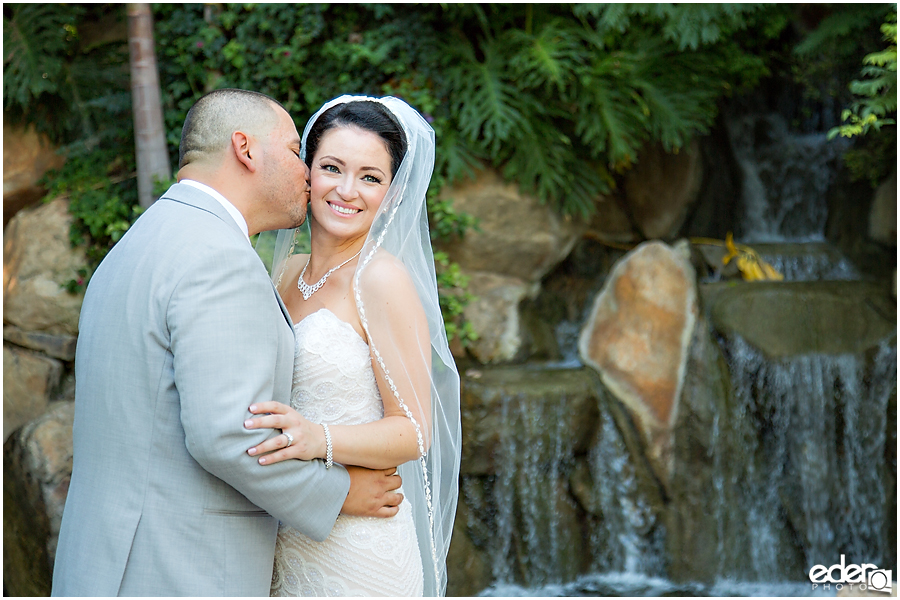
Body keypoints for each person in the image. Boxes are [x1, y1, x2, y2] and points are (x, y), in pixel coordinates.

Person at [51, 89, 404, 597]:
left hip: (105, 561)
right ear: (245, 149)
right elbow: (228, 438)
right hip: (177, 567)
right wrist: (342, 490)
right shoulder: (219, 258)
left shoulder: (141, 240)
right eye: (292, 151)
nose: (306, 173)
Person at [242, 96, 461, 596]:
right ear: (306, 172)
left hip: (359, 548)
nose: (346, 191)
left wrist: (318, 439)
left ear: (392, 192)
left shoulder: (383, 280)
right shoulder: (285, 273)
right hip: (287, 531)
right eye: (332, 168)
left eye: (370, 177)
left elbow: (413, 431)